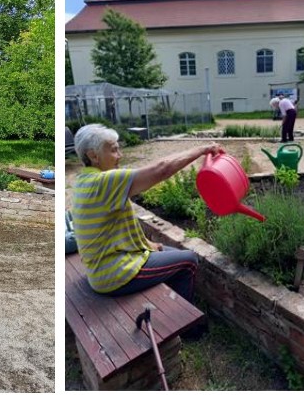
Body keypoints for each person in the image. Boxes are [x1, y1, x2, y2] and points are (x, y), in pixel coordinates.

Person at [71, 124, 223, 303]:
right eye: (113, 150)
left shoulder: (84, 180)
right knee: (189, 261)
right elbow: (162, 169)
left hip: (104, 266)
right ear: (93, 156)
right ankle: (185, 326)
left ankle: (168, 307)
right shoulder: (103, 182)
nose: (120, 156)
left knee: (170, 252)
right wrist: (203, 149)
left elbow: (115, 228)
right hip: (112, 275)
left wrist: (149, 244)